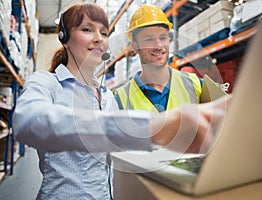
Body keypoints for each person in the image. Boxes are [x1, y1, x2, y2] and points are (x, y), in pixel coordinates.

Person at [12, 3, 231, 200]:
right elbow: (27, 121)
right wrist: (153, 127)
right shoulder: (48, 82)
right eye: (87, 29)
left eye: (104, 32)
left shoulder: (107, 96)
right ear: (65, 39)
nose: (99, 38)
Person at [114, 4, 203, 112]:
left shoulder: (195, 84)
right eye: (149, 39)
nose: (159, 46)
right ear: (135, 47)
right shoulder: (120, 99)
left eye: (163, 38)